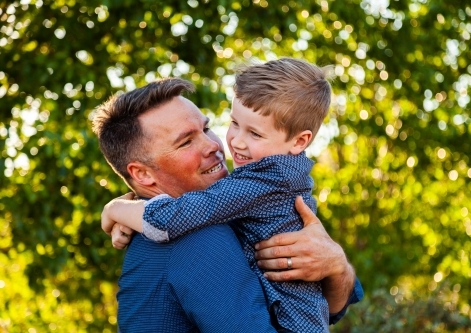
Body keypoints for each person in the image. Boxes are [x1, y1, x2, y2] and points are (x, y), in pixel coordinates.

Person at [93, 76, 363, 332]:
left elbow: (329, 310)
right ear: (142, 174)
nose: (215, 145)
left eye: (207, 128)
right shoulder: (197, 237)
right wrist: (116, 209)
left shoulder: (230, 206)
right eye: (186, 142)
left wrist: (335, 264)